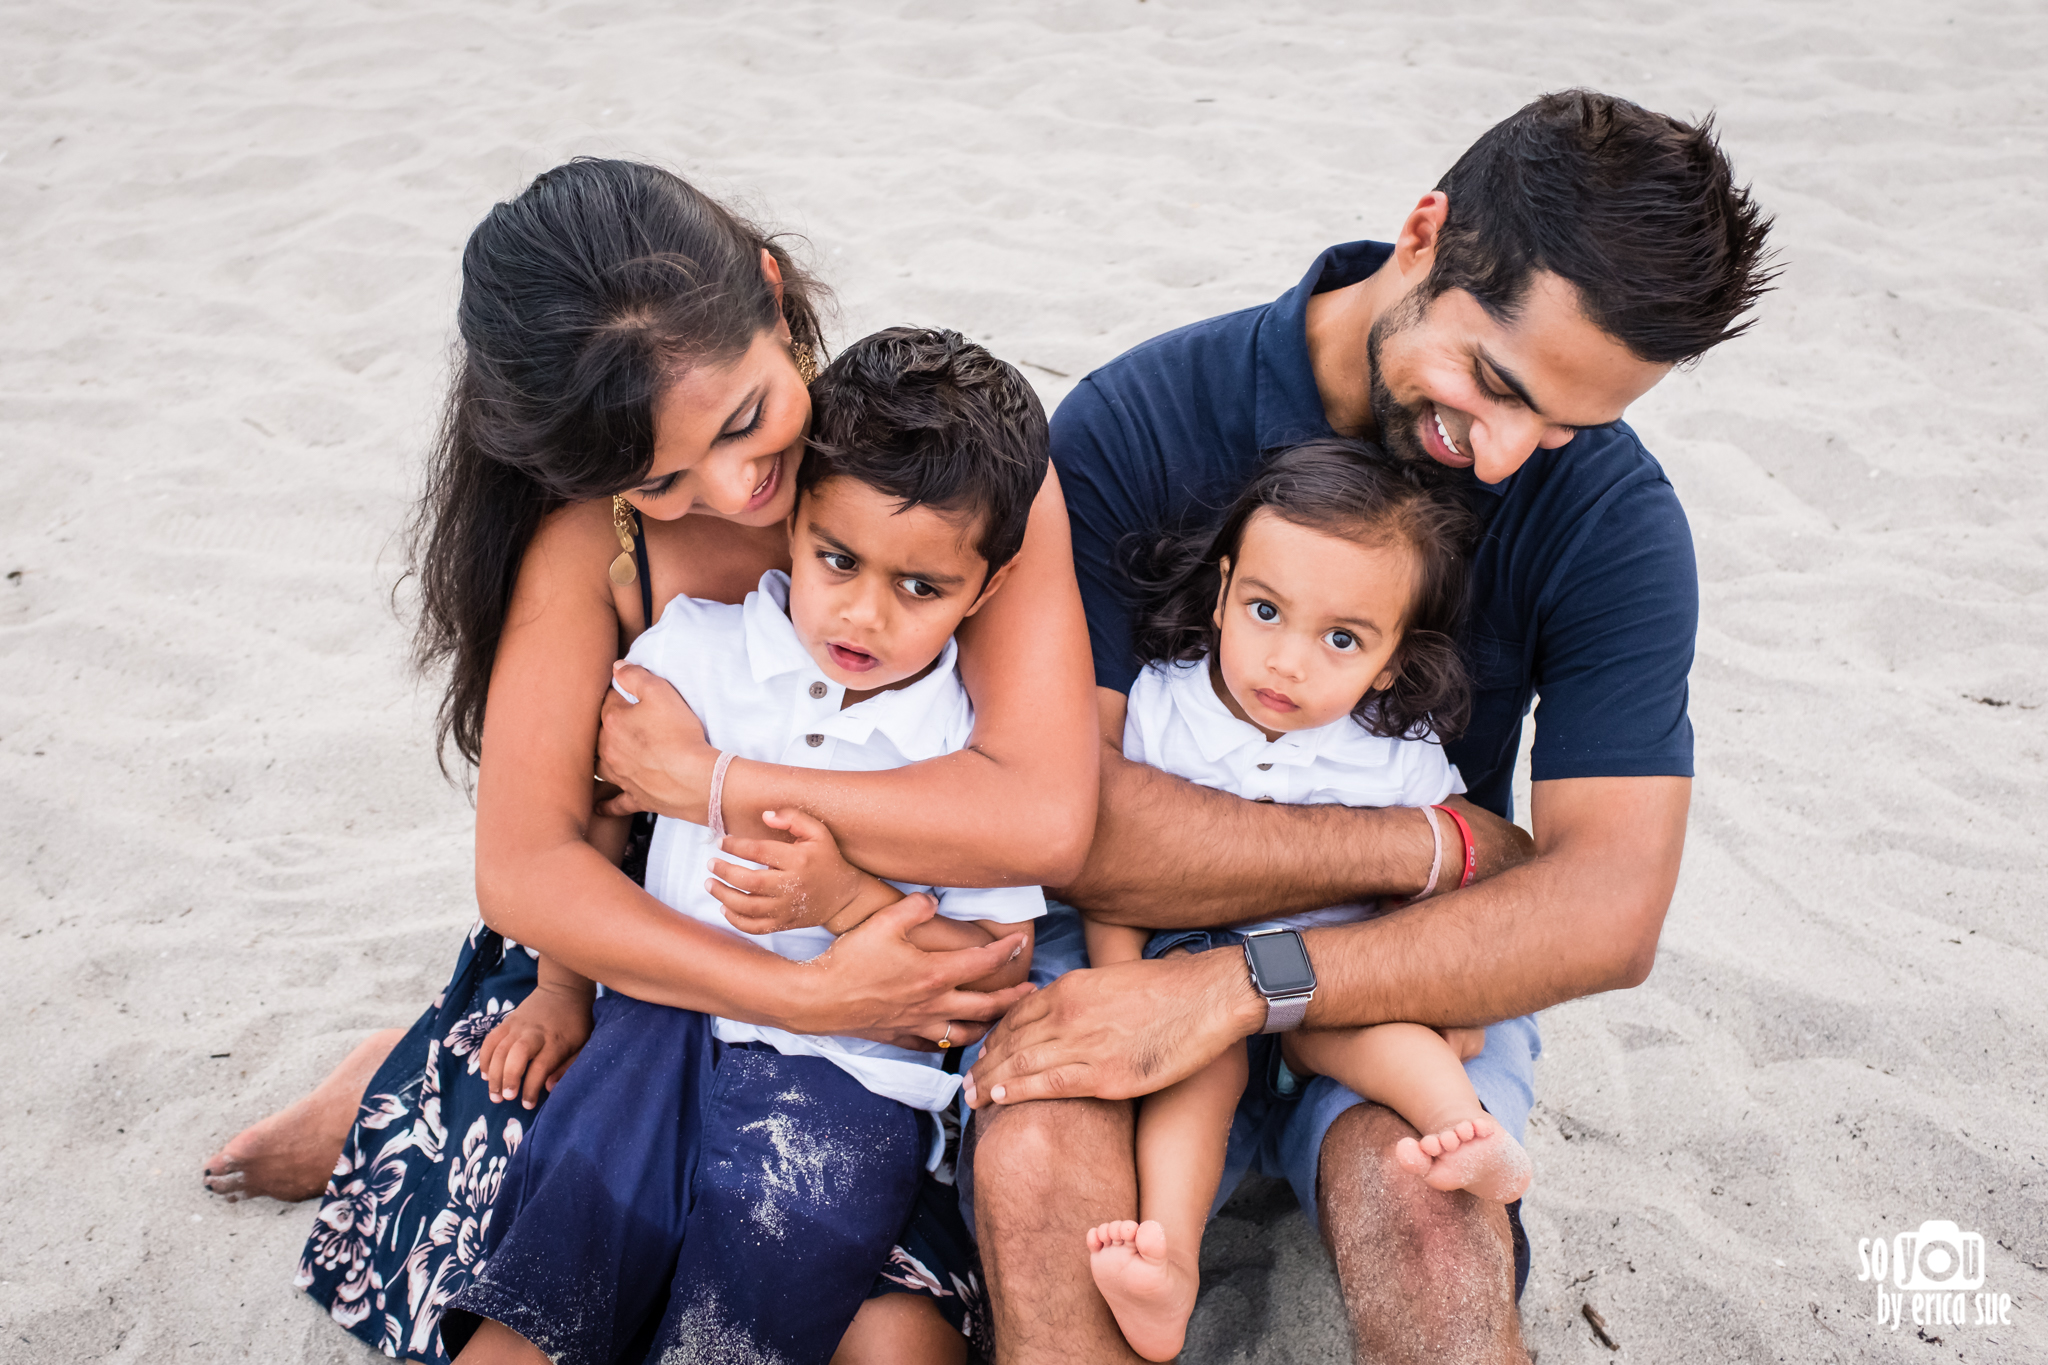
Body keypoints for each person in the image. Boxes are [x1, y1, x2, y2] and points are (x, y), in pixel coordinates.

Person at [210, 159, 1097, 1365]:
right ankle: (396, 1075)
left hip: (878, 1000)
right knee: (537, 1257)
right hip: (645, 965)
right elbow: (528, 870)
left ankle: (396, 1069)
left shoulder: (942, 486)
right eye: (658, 478)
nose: (735, 489)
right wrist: (793, 991)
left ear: (775, 304)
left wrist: (712, 787)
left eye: (743, 420)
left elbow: (1040, 818)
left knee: (868, 1323)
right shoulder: (604, 551)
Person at [963, 89, 1777, 1363]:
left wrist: (1242, 985)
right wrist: (1436, 847)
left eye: (1564, 424)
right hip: (1171, 935)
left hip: (1386, 970)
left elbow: (1609, 914)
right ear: (1424, 234)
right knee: (1034, 1168)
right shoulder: (1138, 419)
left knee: (1434, 1221)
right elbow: (1066, 819)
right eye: (1492, 383)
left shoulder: (1614, 523)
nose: (1506, 456)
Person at [444, 328, 1051, 1365]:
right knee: (561, 1254)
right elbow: (594, 818)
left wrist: (847, 901)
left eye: (921, 588)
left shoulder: (956, 739)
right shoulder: (696, 647)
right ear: (793, 525)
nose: (864, 612)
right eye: (837, 559)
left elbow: (994, 960)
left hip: (851, 1081)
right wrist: (561, 989)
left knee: (756, 1294)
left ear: (984, 591)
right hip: (658, 1025)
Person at [1080, 441, 1530, 1362]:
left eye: (1341, 639)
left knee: (1376, 1041)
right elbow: (1110, 869)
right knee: (1189, 1081)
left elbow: (1460, 872)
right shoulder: (1164, 708)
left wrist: (1452, 998)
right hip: (1192, 973)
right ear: (1220, 592)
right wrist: (1121, 982)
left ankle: (1464, 1131)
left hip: (1329, 989)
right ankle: (1167, 1266)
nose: (1286, 661)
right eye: (1265, 610)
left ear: (1392, 663)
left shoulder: (1395, 756)